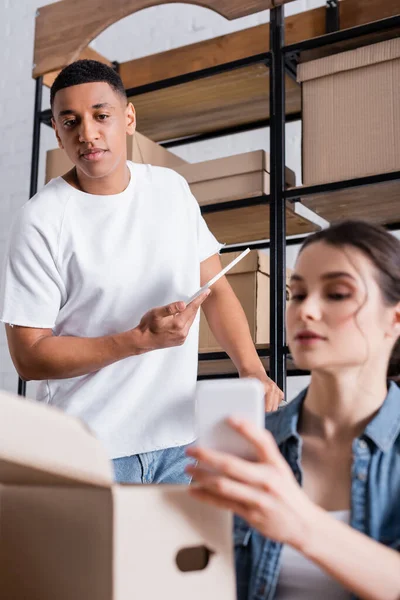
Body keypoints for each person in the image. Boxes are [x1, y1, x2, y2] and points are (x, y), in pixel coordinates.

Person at [0, 59, 282, 485]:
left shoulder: (171, 190)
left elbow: (216, 290)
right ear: (57, 131)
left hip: (179, 444)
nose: (87, 133)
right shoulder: (41, 220)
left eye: (101, 115)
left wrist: (252, 370)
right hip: (87, 451)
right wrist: (137, 341)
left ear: (128, 118)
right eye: (70, 121)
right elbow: (28, 356)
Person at [187, 220, 400, 599]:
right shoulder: (251, 441)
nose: (306, 310)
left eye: (336, 294)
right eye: (297, 294)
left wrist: (301, 524)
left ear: (394, 319)